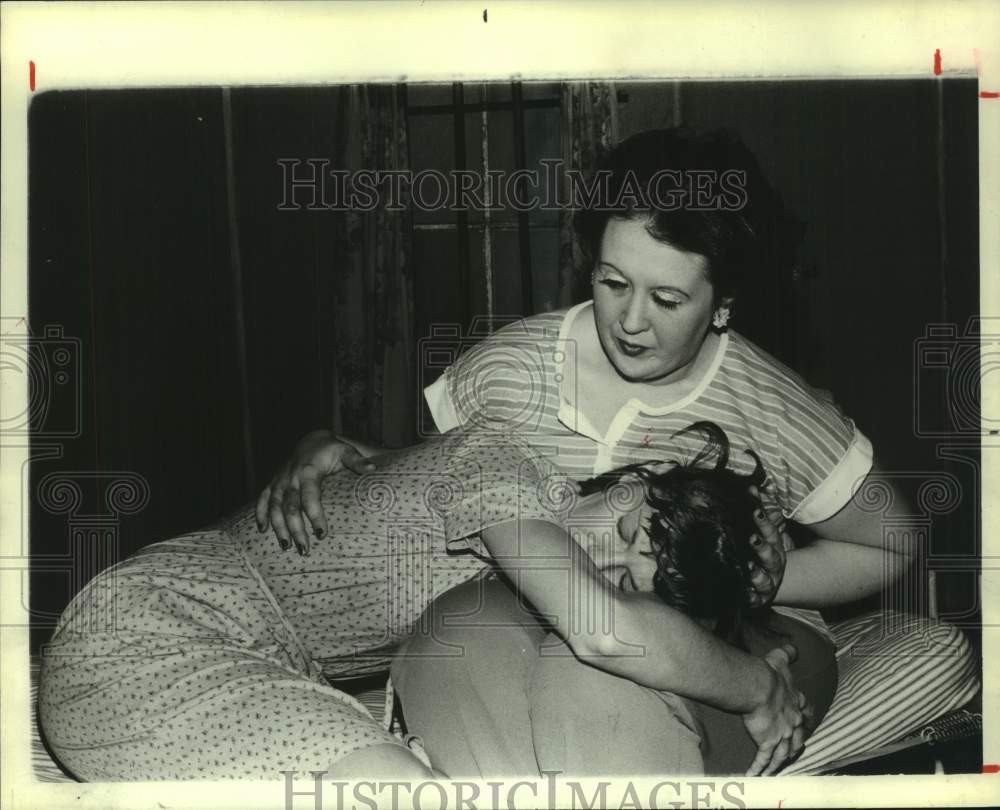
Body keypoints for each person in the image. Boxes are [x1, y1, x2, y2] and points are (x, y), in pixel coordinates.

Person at [258, 127, 914, 774]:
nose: (631, 322)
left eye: (667, 298)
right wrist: (346, 452)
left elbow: (891, 542)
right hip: (545, 608)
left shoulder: (772, 405)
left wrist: (751, 578)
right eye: (613, 282)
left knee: (601, 702)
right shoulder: (507, 369)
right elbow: (460, 488)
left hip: (740, 629)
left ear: (724, 304)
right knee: (454, 645)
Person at [37, 424, 824, 780]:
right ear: (627, 481)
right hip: (147, 632)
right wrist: (758, 688)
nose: (597, 559)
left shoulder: (513, 530)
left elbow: (384, 485)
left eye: (624, 574)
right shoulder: (508, 470)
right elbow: (606, 633)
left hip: (248, 666)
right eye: (625, 528)